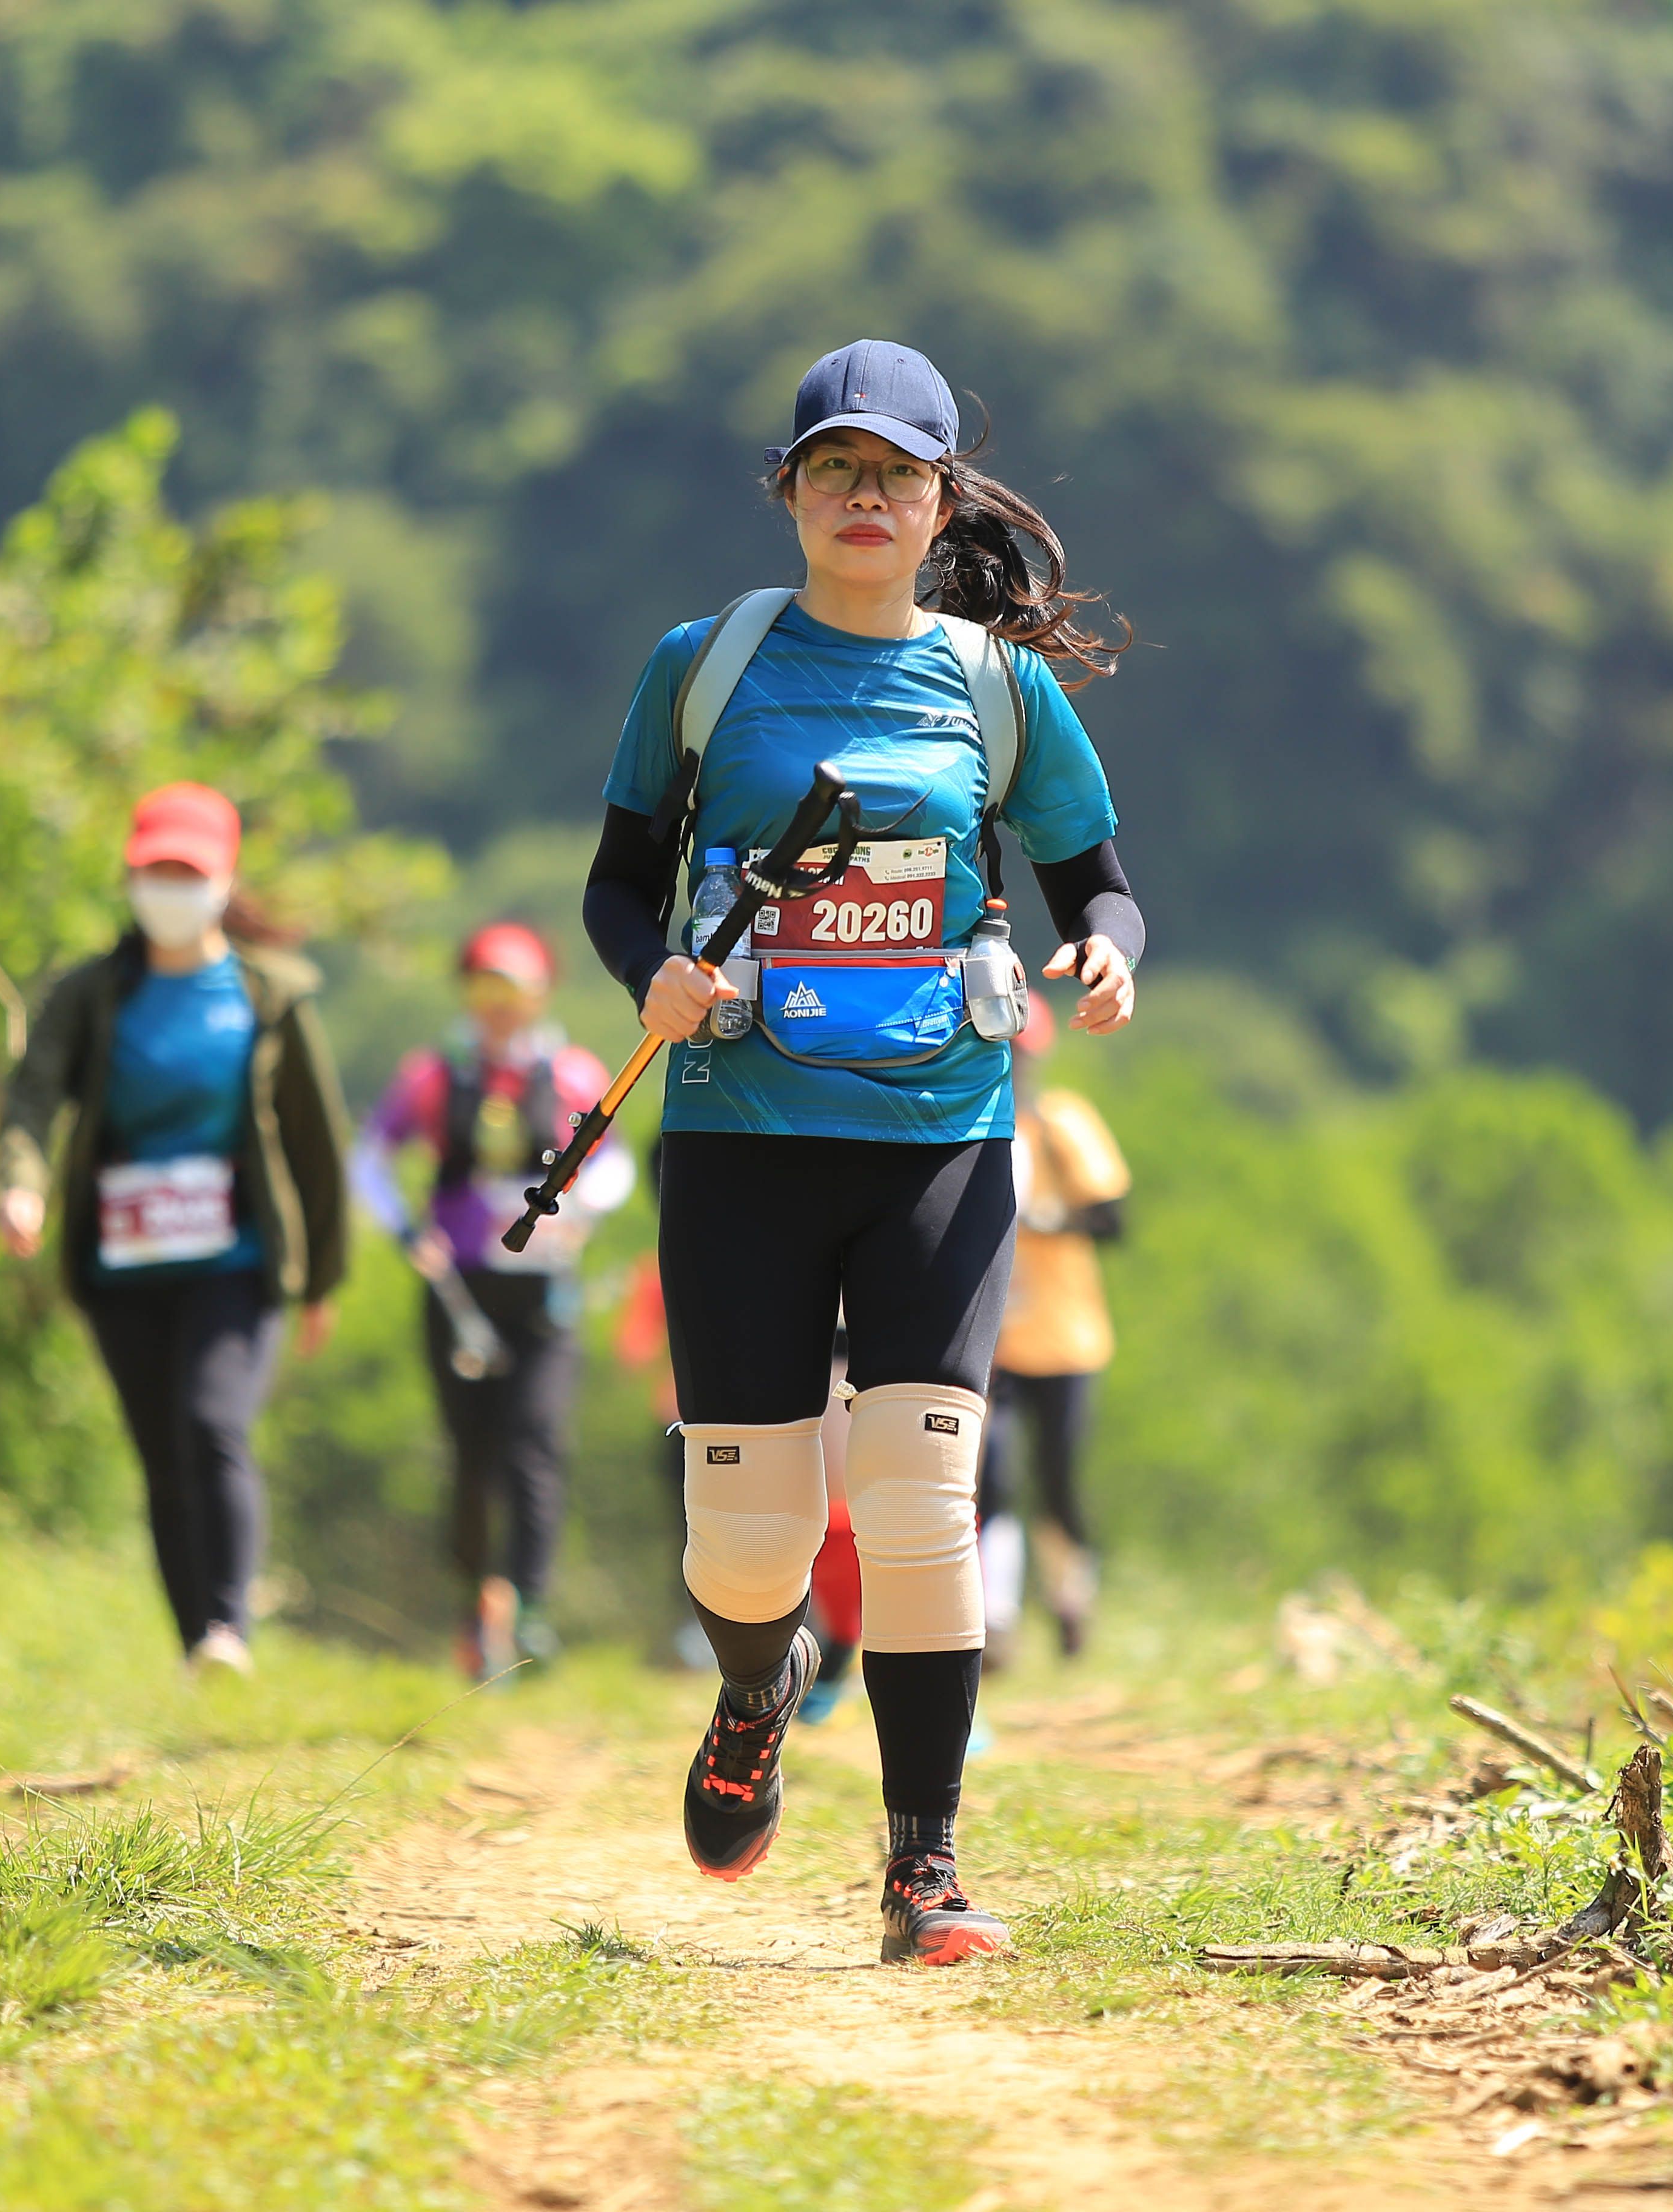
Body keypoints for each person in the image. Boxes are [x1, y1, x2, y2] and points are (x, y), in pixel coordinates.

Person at [582, 338, 1145, 1966]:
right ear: (789, 490)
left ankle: (924, 1871)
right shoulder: (703, 667)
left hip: (941, 1141)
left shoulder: (996, 689)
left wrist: (1105, 956)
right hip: (743, 1137)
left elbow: (1098, 884)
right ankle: (757, 1686)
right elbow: (619, 882)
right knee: (748, 1536)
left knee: (918, 1501)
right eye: (835, 469)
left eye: (895, 474)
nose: (864, 497)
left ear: (937, 503)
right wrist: (653, 977)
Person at [0, 782, 349, 1677]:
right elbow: (32, 1098)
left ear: (224, 880)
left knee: (212, 1423)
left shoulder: (271, 996)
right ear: (130, 876)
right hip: (124, 1267)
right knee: (162, 1450)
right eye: (155, 871)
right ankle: (199, 1651)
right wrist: (21, 1189)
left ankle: (230, 1628)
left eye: (187, 873)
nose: (170, 889)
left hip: (238, 1260)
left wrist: (324, 1279)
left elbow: (318, 1148)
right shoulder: (90, 995)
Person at [351, 922, 630, 1680]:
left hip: (543, 1290)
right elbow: (370, 1159)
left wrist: (584, 1212)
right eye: (484, 987)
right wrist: (406, 1232)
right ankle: (477, 1611)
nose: (499, 1004)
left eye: (513, 987)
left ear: (541, 992)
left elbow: (614, 1162)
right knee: (472, 1456)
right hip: (458, 1291)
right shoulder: (433, 1075)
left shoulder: (571, 1073)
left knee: (537, 1445)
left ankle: (531, 1607)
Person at [981, 990, 1130, 1661]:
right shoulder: (971, 1122)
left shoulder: (1062, 1121)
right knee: (992, 1477)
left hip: (1066, 1337)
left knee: (1058, 1480)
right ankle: (996, 1618)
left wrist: (1045, 1220)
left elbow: (1112, 1217)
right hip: (994, 1340)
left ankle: (1071, 1602)